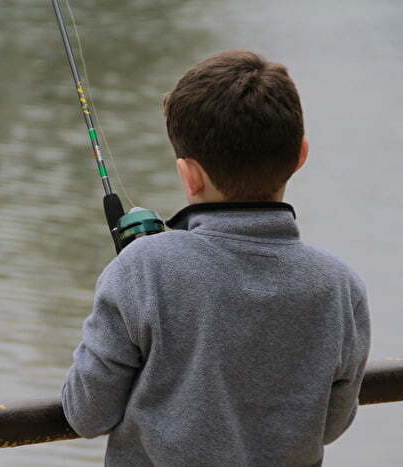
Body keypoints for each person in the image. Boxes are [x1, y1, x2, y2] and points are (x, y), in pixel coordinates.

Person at [61, 50, 370, 467]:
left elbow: (86, 413)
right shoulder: (340, 286)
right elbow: (329, 425)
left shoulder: (142, 270)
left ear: (189, 174)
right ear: (301, 155)